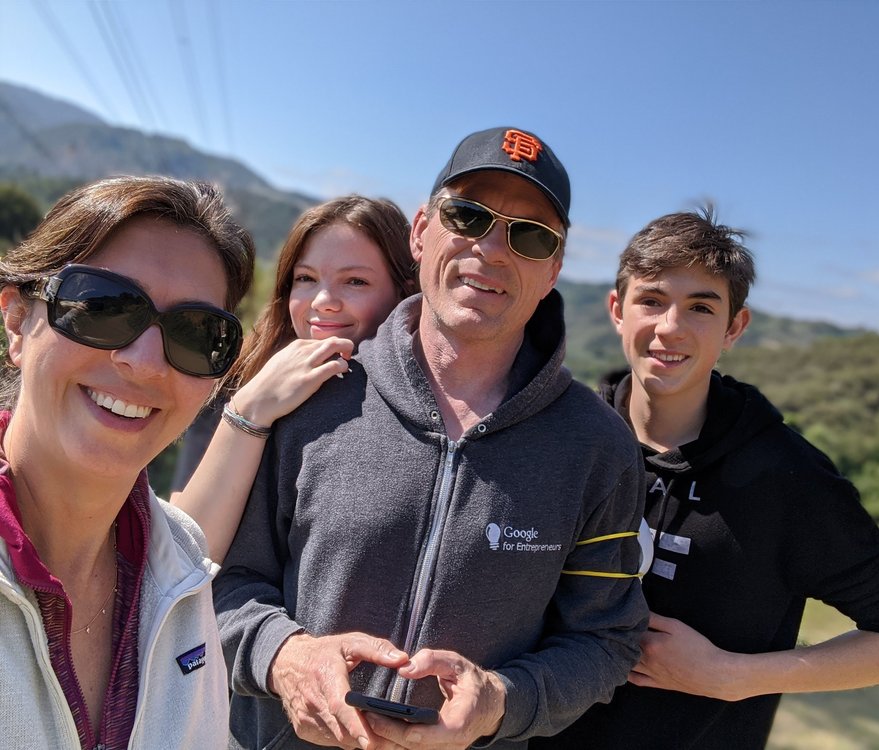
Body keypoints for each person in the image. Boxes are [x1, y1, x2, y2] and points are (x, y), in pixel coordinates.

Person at [214, 127, 649, 750]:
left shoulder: (598, 448)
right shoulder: (309, 395)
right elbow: (219, 581)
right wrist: (286, 658)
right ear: (422, 232)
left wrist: (501, 700)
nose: (492, 249)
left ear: (553, 268)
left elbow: (605, 641)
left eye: (530, 236)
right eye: (468, 216)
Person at [532, 208, 879, 750]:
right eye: (651, 299)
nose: (670, 327)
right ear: (617, 309)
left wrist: (731, 675)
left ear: (735, 327)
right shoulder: (559, 439)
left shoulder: (787, 478)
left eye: (700, 307)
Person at [0, 176, 255, 749]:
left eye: (195, 334)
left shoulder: (185, 565)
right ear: (18, 321)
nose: (144, 362)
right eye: (104, 306)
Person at [171, 195, 416, 562]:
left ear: (404, 292)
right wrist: (251, 409)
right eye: (306, 278)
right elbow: (182, 554)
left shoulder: (419, 411)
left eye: (355, 281)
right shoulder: (238, 379)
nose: (323, 301)